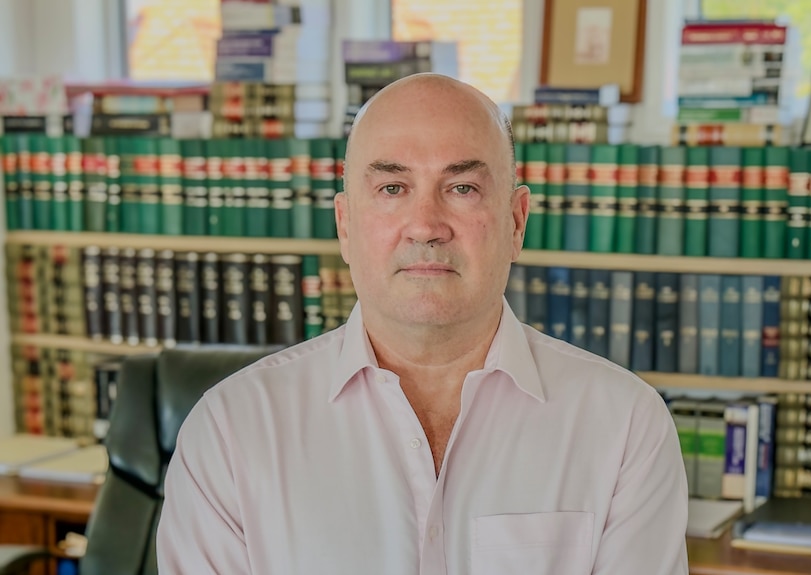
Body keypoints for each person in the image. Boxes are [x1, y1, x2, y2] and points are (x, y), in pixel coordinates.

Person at [157, 73, 689, 574]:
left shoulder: (625, 427)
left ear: (516, 221)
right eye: (392, 188)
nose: (426, 226)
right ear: (345, 225)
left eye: (462, 189)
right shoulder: (229, 433)